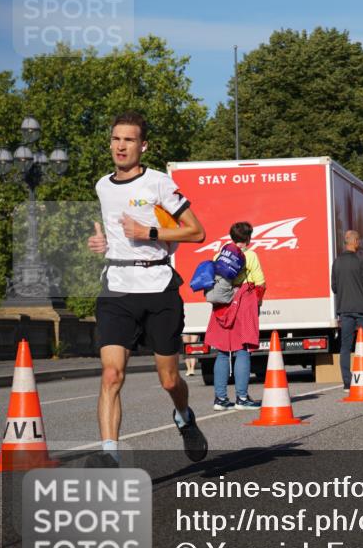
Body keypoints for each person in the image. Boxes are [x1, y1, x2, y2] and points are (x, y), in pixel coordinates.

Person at [85, 111, 208, 467]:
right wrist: (101, 244)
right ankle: (110, 455)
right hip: (117, 288)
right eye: (116, 139)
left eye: (129, 140)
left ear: (143, 146)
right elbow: (114, 235)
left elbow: (196, 232)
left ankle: (184, 416)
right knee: (111, 374)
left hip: (158, 288)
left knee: (169, 380)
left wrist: (149, 233)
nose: (121, 146)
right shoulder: (103, 186)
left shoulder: (158, 183)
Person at [207, 222, 265, 410]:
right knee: (243, 350)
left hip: (222, 305)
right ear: (248, 238)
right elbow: (260, 283)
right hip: (243, 303)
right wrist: (257, 305)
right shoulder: (251, 256)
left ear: (232, 237)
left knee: (223, 352)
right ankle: (242, 398)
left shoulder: (219, 255)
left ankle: (220, 399)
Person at [332, 230, 363, 391]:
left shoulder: (337, 262)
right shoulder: (361, 261)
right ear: (356, 241)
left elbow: (334, 287)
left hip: (345, 309)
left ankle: (347, 382)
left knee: (345, 346)